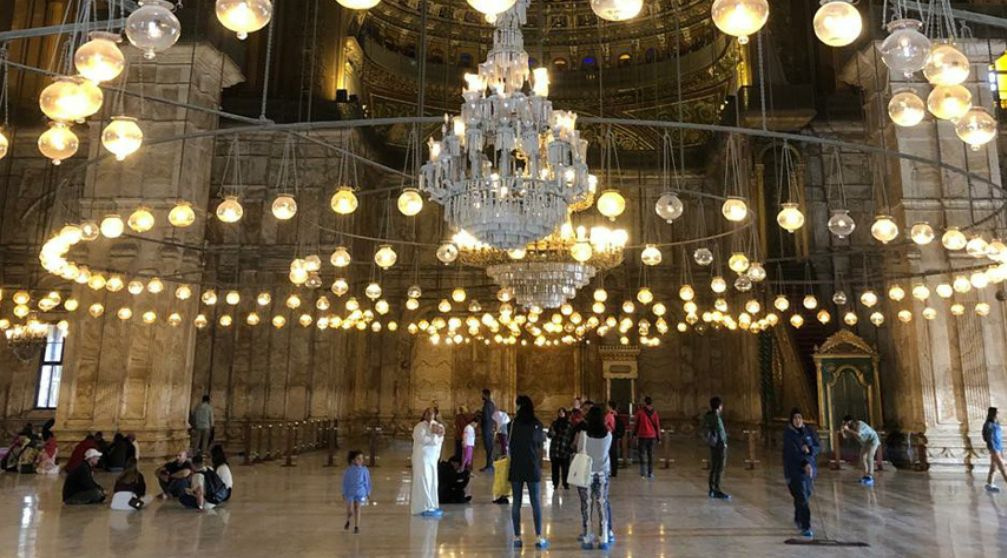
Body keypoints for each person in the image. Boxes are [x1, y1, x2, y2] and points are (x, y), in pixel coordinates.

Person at [507, 395, 549, 550]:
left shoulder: (511, 425)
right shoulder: (537, 424)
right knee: (535, 502)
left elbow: (509, 444)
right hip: (532, 466)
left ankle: (517, 536)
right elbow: (539, 445)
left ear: (519, 406)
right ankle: (538, 536)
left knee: (516, 502)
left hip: (516, 465)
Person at [575, 406, 613, 550]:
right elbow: (607, 451)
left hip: (586, 474)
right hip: (602, 473)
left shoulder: (584, 434)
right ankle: (603, 537)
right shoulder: (608, 435)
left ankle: (587, 536)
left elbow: (580, 451)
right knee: (602, 505)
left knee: (586, 506)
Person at [783, 408, 820, 539]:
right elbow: (792, 453)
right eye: (795, 418)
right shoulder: (788, 434)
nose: (797, 420)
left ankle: (799, 517)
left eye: (799, 417)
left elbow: (818, 446)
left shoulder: (808, 431)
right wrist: (804, 464)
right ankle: (806, 526)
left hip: (810, 471)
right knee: (802, 496)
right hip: (795, 471)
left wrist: (810, 449)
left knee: (806, 495)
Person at [411, 407, 446, 517]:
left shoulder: (437, 425)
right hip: (422, 458)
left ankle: (432, 505)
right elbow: (421, 439)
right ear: (425, 414)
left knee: (432, 481)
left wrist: (437, 435)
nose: (430, 415)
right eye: (428, 413)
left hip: (431, 459)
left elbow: (441, 437)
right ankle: (423, 506)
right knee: (423, 480)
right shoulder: (419, 426)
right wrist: (434, 439)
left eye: (433, 413)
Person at [703, 396, 730, 500]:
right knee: (720, 467)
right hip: (719, 445)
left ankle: (712, 489)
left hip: (712, 444)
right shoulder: (716, 416)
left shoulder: (707, 416)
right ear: (719, 406)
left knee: (714, 466)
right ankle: (717, 489)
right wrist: (724, 443)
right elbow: (720, 430)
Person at [841, 415, 881, 486]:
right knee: (862, 457)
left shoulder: (860, 424)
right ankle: (866, 475)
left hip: (872, 440)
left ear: (850, 421)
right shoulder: (850, 427)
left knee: (869, 457)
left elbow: (859, 434)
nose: (845, 424)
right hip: (865, 442)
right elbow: (846, 437)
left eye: (846, 423)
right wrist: (843, 432)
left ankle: (870, 476)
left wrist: (848, 430)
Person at [342, 450, 371, 532]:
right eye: (358, 459)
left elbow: (367, 482)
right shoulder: (348, 471)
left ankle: (356, 526)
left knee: (357, 508)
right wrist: (344, 492)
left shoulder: (364, 470)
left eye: (362, 458)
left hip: (360, 492)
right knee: (350, 510)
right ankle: (348, 520)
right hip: (350, 492)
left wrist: (368, 492)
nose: (361, 460)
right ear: (353, 460)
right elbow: (345, 482)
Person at [633, 396, 661, 478]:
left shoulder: (640, 412)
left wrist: (634, 434)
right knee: (650, 455)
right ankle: (650, 472)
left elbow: (636, 424)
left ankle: (642, 472)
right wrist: (659, 438)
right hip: (652, 436)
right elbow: (657, 426)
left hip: (642, 435)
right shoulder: (655, 413)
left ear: (645, 402)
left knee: (641, 454)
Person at [983, 407, 1007, 492]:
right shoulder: (988, 425)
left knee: (994, 467)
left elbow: (998, 437)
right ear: (993, 414)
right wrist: (993, 449)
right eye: (997, 413)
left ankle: (990, 484)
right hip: (994, 448)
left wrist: (1001, 449)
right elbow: (987, 438)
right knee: (1002, 467)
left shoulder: (996, 423)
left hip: (999, 447)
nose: (998, 414)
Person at [548, 408, 573, 489]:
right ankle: (555, 483)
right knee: (555, 469)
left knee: (565, 468)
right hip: (555, 449)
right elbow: (549, 435)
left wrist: (571, 447)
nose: (561, 414)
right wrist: (552, 433)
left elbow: (571, 436)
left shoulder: (569, 424)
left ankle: (565, 483)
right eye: (559, 412)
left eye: (562, 412)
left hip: (564, 448)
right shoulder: (554, 424)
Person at [479, 389, 497, 472]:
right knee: (489, 447)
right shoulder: (492, 404)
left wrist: (480, 417)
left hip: (486, 428)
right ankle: (489, 465)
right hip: (490, 428)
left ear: (486, 395)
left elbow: (486, 417)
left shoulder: (487, 405)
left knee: (488, 447)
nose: (481, 396)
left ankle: (489, 466)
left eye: (482, 394)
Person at [605, 401, 623, 478]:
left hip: (610, 434)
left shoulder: (609, 415)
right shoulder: (616, 414)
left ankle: (612, 470)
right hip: (615, 435)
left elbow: (607, 424)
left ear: (610, 406)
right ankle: (614, 471)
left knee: (611, 453)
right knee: (614, 453)